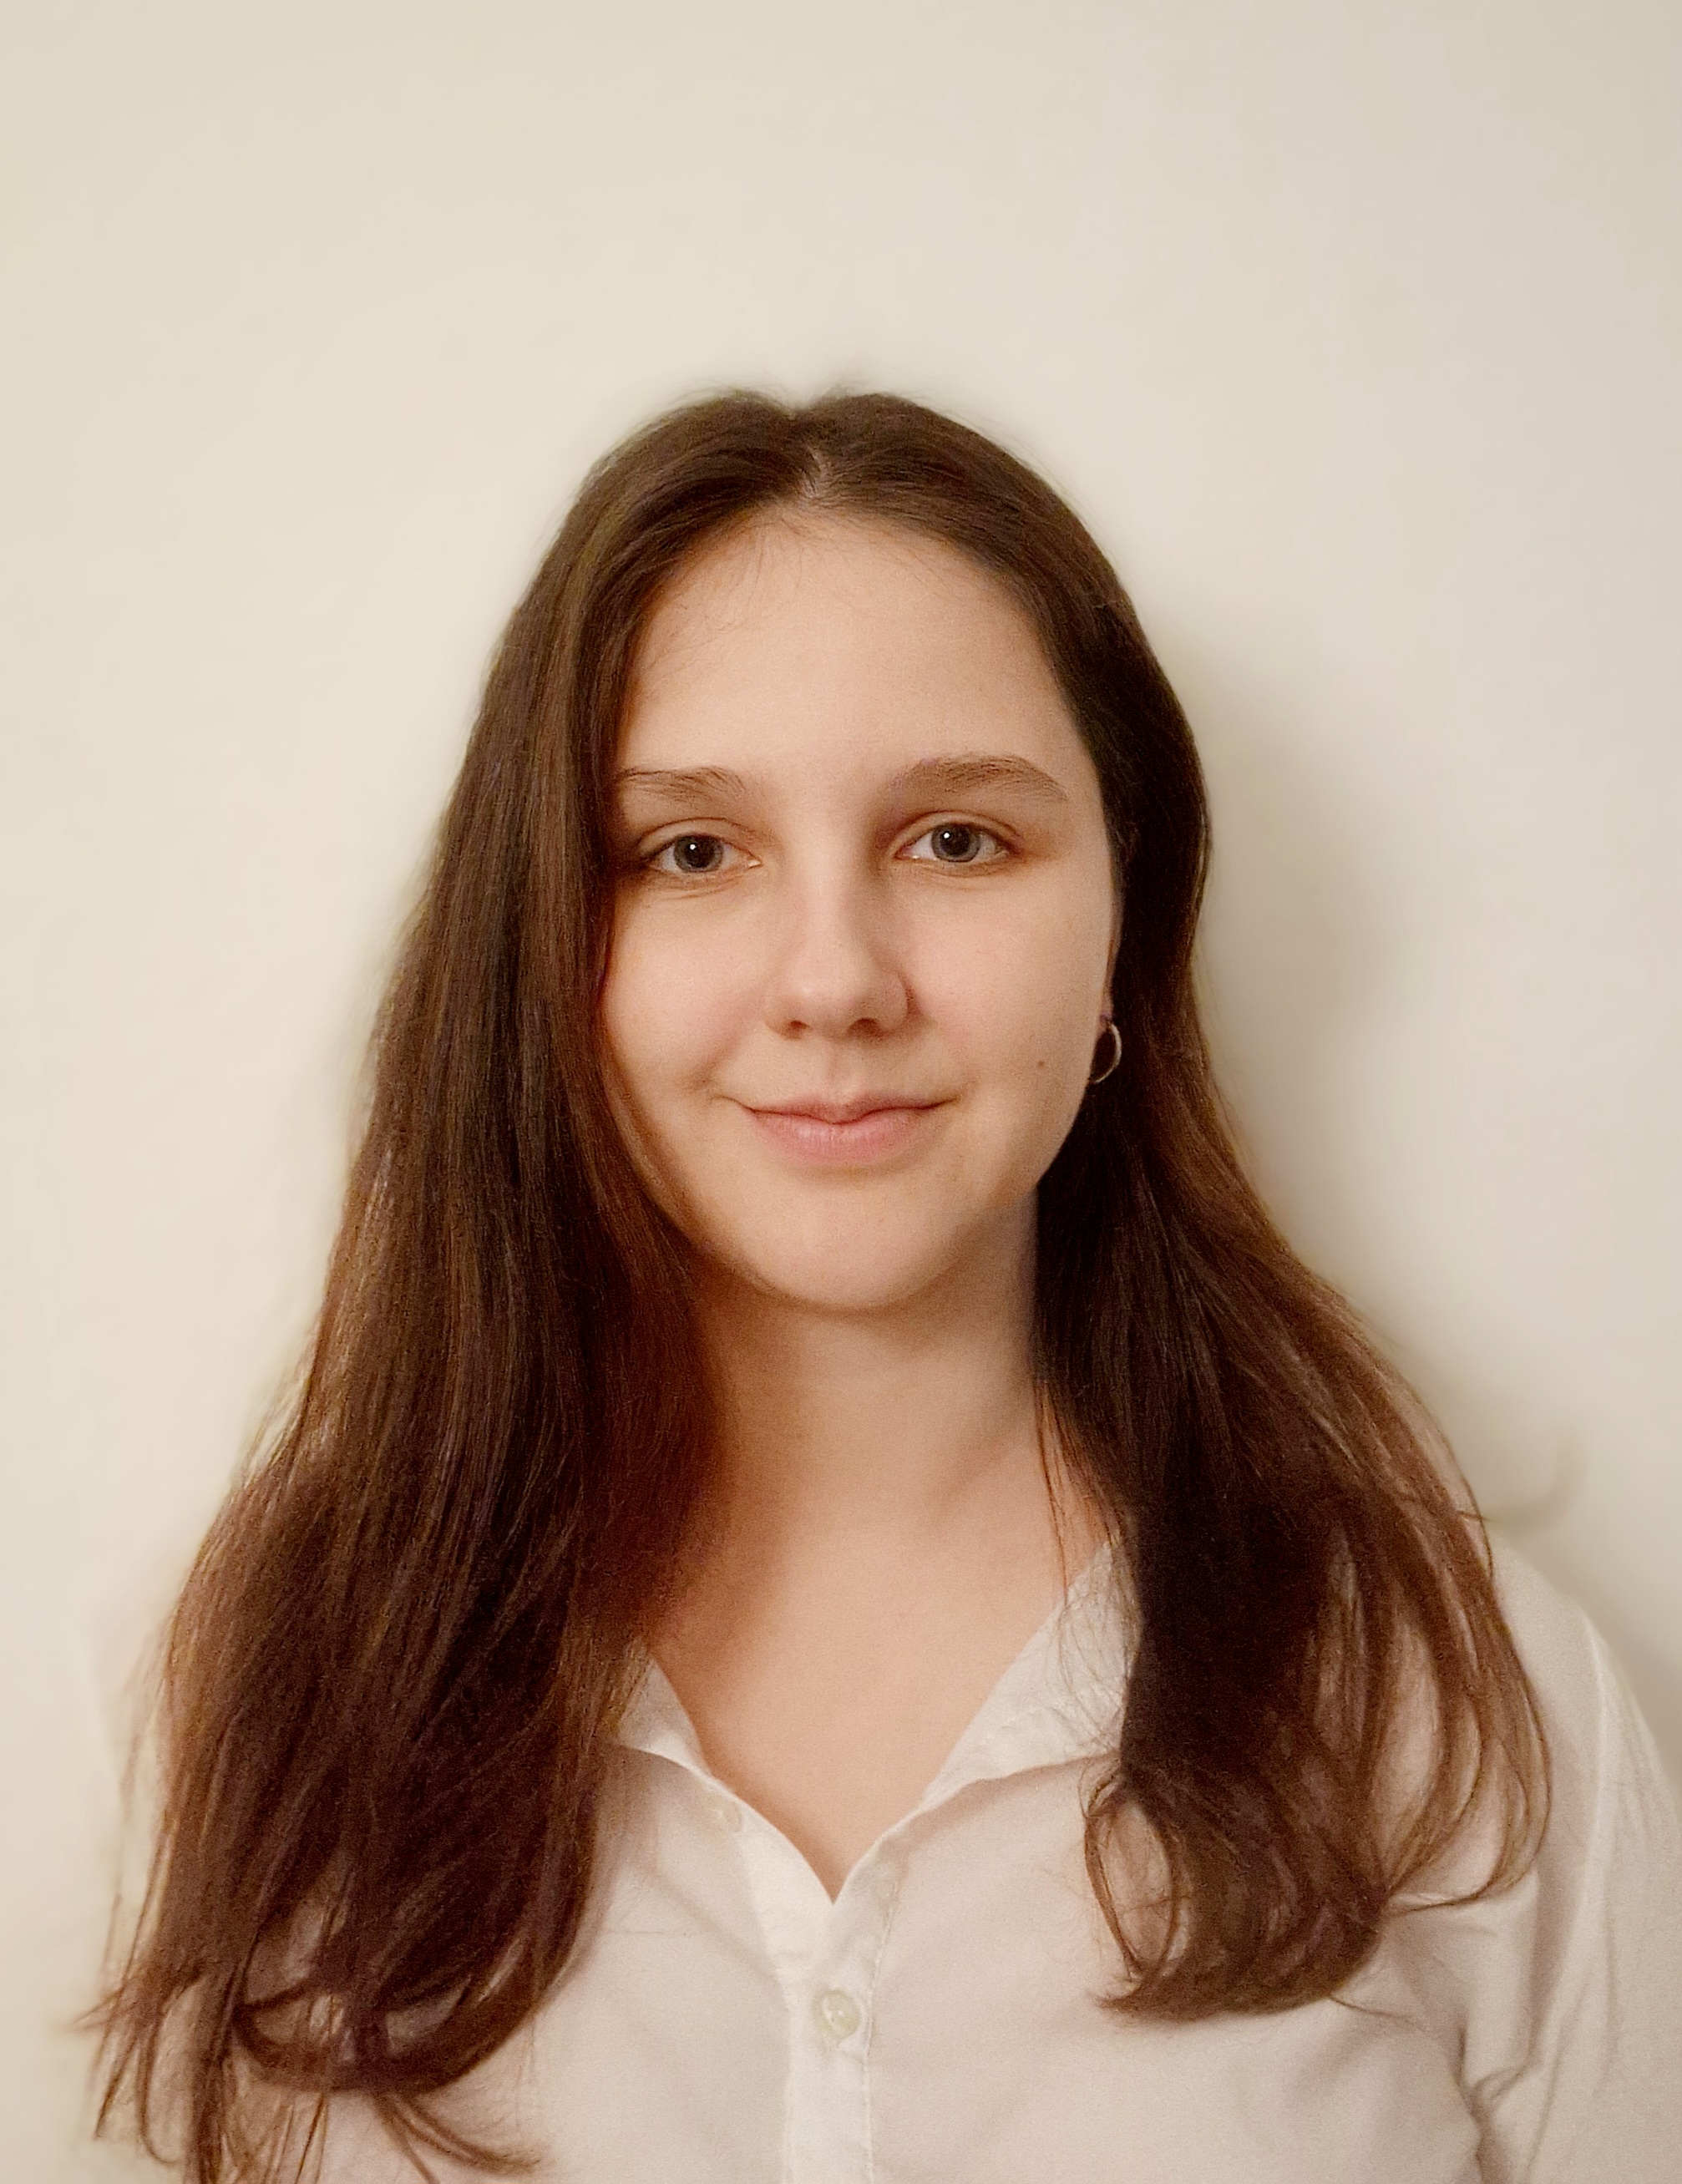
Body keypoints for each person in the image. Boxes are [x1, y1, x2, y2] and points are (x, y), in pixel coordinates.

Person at [91, 392, 1682, 2183]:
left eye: (955, 840)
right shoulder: (271, 1684)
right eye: (691, 851)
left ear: (1122, 931)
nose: (833, 982)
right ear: (543, 945)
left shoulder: (1457, 1701)